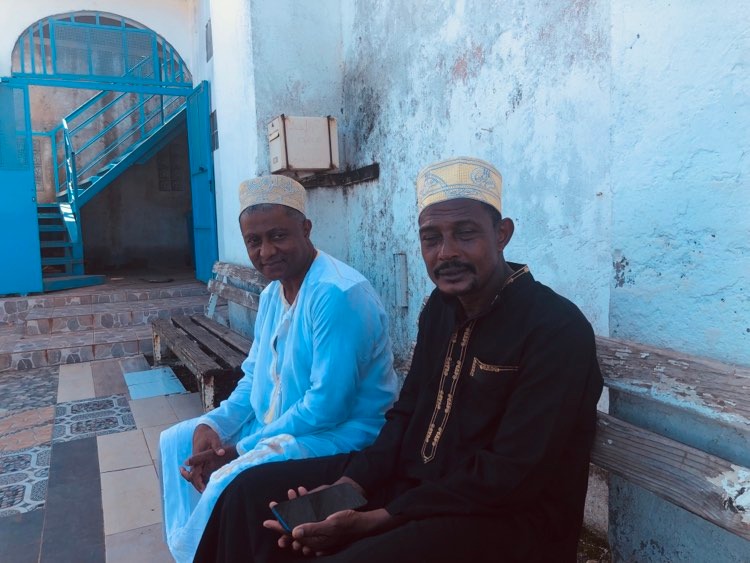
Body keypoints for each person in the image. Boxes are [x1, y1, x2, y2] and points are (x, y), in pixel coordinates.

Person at [194, 157, 604, 563]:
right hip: (416, 487)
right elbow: (406, 413)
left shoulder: (555, 329)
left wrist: (374, 520)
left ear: (502, 234)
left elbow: (513, 473)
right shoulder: (441, 308)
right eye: (431, 238)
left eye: (465, 234)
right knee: (246, 495)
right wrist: (349, 485)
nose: (446, 253)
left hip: (503, 519)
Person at [159, 175, 398, 563]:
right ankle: (193, 550)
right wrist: (213, 424)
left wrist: (239, 449)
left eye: (278, 236)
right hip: (280, 424)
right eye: (254, 241)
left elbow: (327, 407)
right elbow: (254, 376)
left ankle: (209, 550)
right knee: (178, 442)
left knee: (231, 476)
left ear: (306, 229)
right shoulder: (273, 293)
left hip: (341, 434)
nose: (266, 251)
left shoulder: (337, 294)